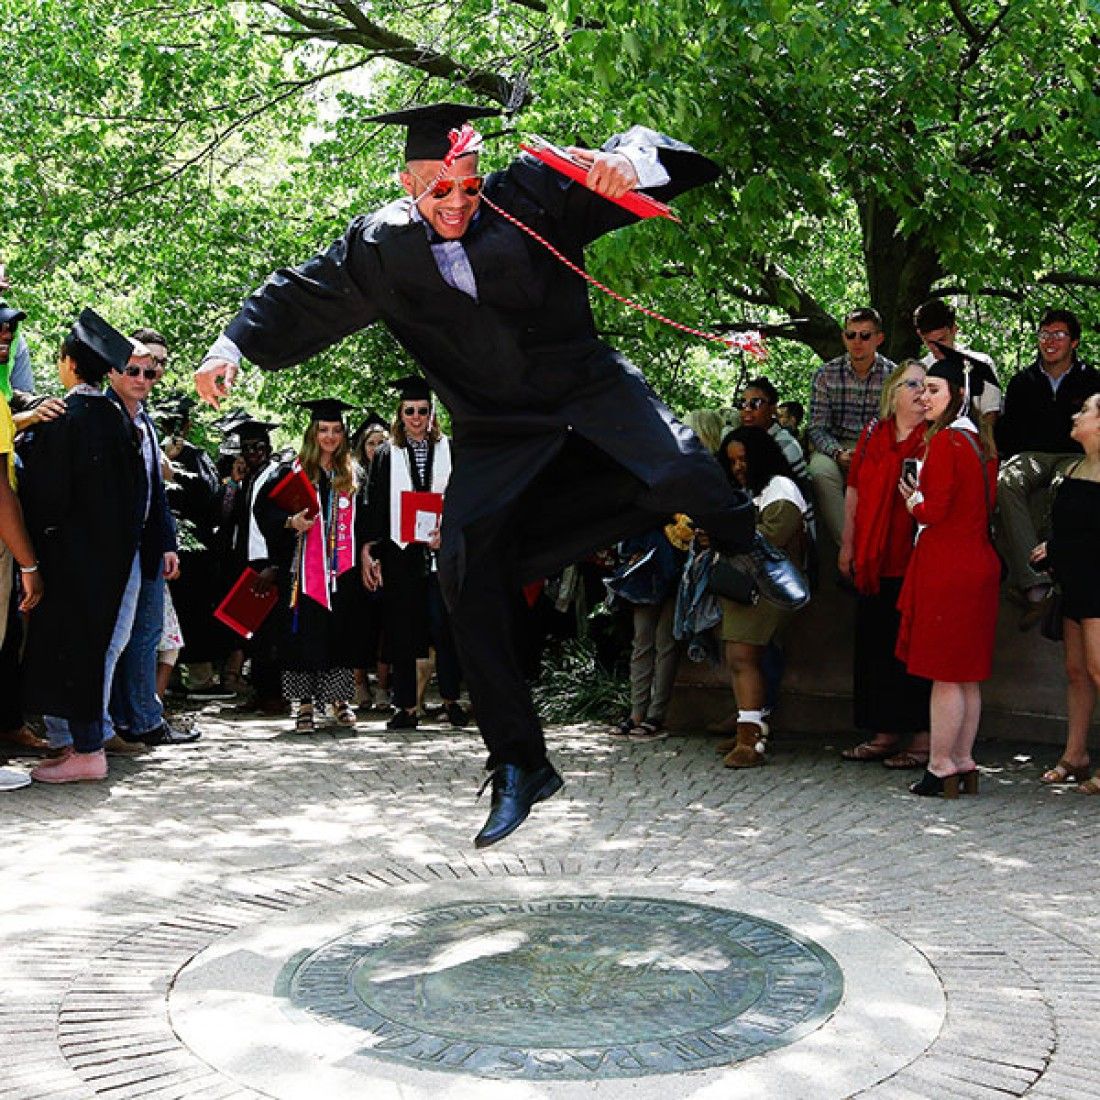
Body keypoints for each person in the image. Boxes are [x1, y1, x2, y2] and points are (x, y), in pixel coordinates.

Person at [195, 103, 801, 847]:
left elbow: (648, 156)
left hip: (585, 388)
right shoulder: (380, 248)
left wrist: (630, 167)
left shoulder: (527, 197)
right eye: (438, 192)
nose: (456, 205)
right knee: (464, 574)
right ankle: (519, 761)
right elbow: (301, 289)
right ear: (406, 183)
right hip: (495, 428)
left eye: (468, 189)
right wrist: (229, 347)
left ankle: (748, 540)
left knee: (678, 465)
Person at [19, 310, 145, 784]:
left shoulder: (64, 420)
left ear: (69, 363)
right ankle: (79, 745)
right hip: (110, 559)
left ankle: (88, 750)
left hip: (68, 559)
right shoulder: (118, 421)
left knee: (73, 651)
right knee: (90, 647)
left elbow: (45, 498)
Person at [896, 350, 1000, 798]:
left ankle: (941, 765)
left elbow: (933, 510)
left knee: (945, 674)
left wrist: (912, 500)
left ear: (957, 395)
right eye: (921, 389)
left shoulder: (944, 442)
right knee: (966, 675)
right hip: (977, 563)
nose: (924, 398)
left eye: (933, 390)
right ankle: (963, 761)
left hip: (948, 568)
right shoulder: (980, 443)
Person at [838, 360, 932, 768]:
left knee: (914, 649)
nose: (918, 390)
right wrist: (848, 545)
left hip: (914, 559)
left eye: (925, 385)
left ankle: (924, 739)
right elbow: (855, 487)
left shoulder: (935, 438)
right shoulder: (873, 434)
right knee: (875, 646)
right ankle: (884, 732)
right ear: (892, 391)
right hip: (874, 559)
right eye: (910, 383)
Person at [361, 378, 467, 731]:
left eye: (423, 410)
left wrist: (449, 532)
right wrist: (369, 549)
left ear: (432, 412)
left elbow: (462, 499)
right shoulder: (387, 454)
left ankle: (452, 700)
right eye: (410, 411)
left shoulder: (450, 449)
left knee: (445, 628)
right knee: (403, 628)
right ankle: (405, 706)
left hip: (442, 551)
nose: (417, 417)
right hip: (400, 553)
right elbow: (374, 504)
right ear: (401, 414)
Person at [254, 398, 363, 731]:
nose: (329, 437)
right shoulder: (293, 471)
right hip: (303, 571)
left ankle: (339, 700)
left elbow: (369, 519)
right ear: (312, 433)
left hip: (342, 570)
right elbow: (264, 510)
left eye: (336, 430)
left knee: (340, 633)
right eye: (323, 430)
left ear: (343, 435)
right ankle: (303, 706)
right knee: (302, 636)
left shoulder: (353, 475)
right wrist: (290, 522)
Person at [104, 340, 193, 748]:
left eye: (152, 371)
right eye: (135, 369)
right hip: (116, 548)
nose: (143, 378)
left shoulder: (146, 422)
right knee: (120, 639)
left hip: (149, 545)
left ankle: (142, 717)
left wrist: (168, 542)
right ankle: (124, 721)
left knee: (147, 633)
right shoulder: (103, 416)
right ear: (113, 371)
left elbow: (156, 490)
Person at [712, 426, 810, 768]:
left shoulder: (780, 488)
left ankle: (749, 741)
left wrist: (722, 536)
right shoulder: (754, 490)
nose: (738, 467)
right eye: (732, 461)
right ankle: (748, 727)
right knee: (742, 658)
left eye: (744, 459)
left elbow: (772, 538)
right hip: (751, 587)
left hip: (766, 589)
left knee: (742, 657)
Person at [994, 309, 1099, 628]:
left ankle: (1058, 571)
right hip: (1031, 454)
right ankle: (1036, 584)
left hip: (1073, 455)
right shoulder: (1023, 382)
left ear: (1075, 342)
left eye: (1058, 335)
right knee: (1007, 481)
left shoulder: (1092, 380)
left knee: (1062, 489)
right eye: (1044, 334)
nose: (1050, 341)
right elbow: (1008, 433)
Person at [1031, 393, 1100, 793]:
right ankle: (1075, 754)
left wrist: (1058, 549)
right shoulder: (1074, 467)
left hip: (1097, 586)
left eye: (1085, 411)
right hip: (1074, 583)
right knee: (1076, 672)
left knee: (1097, 670)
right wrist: (1052, 550)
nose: (1075, 415)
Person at [807, 308, 895, 548]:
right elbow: (816, 427)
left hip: (877, 447)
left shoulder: (894, 376)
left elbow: (896, 427)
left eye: (865, 336)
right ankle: (849, 545)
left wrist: (870, 452)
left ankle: (877, 548)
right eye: (851, 335)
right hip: (834, 446)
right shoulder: (825, 374)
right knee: (820, 472)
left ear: (879, 338)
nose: (857, 341)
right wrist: (837, 453)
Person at [914, 298, 1001, 424]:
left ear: (954, 330)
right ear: (920, 336)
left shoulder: (981, 365)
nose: (937, 348)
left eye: (941, 340)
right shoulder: (919, 371)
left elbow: (990, 414)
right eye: (930, 343)